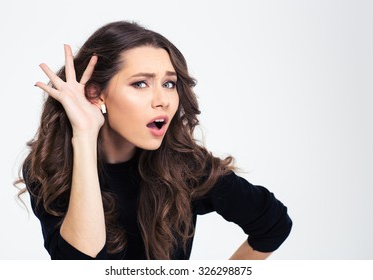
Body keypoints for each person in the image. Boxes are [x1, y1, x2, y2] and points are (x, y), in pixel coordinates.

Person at [17, 21, 292, 260]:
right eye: (140, 83)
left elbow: (273, 224)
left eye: (169, 84)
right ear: (96, 94)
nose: (163, 100)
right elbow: (79, 264)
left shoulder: (186, 167)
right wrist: (85, 135)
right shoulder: (50, 168)